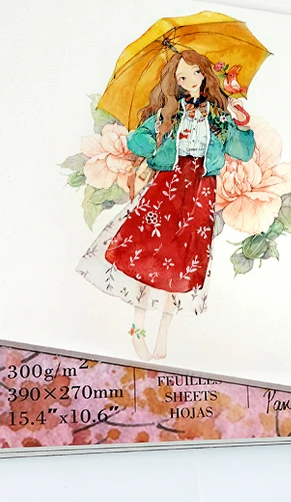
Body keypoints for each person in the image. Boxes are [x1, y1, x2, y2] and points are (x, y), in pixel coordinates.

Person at [77, 49, 254, 360]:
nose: (190, 80)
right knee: (148, 256)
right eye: (182, 76)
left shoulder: (218, 117)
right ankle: (137, 333)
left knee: (181, 263)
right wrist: (154, 137)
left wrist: (240, 124)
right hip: (167, 185)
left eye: (195, 73)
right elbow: (138, 142)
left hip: (200, 189)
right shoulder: (168, 114)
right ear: (176, 81)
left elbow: (242, 152)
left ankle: (162, 338)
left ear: (205, 75)